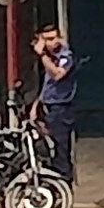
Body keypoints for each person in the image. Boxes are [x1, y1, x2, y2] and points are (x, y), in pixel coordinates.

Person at [33, 24, 80, 184]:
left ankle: (64, 183)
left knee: (60, 149)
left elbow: (57, 75)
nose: (50, 42)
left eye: (53, 38)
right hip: (48, 108)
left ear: (60, 38)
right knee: (48, 148)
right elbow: (48, 86)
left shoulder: (65, 56)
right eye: (46, 39)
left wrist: (42, 55)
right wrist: (36, 105)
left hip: (62, 109)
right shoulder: (50, 58)